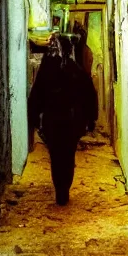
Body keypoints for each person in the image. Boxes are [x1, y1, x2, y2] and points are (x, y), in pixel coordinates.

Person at [28, 34, 98, 205]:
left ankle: (60, 188)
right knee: (68, 155)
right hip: (71, 122)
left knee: (56, 156)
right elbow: (89, 95)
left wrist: (34, 119)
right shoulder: (75, 69)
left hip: (53, 121)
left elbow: (36, 95)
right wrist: (90, 120)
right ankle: (64, 188)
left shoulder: (47, 69)